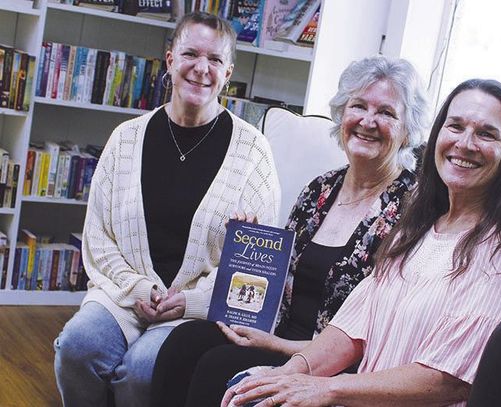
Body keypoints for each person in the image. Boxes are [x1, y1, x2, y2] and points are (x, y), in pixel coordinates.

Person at [222, 78, 501, 407]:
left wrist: (327, 389)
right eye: (455, 126)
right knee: (245, 390)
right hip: (358, 399)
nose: (465, 143)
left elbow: (450, 379)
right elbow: (353, 326)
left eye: (486, 133)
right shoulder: (417, 227)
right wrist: (289, 374)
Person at [151, 55, 430, 406]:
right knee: (184, 342)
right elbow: (276, 280)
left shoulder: (413, 210)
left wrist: (277, 346)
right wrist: (249, 251)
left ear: (408, 130)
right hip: (274, 332)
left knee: (216, 367)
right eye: (358, 106)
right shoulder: (321, 189)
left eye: (386, 113)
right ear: (342, 115)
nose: (368, 121)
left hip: (332, 362)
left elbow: (375, 332)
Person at [53, 11, 280, 407]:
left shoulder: (253, 153)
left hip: (194, 308)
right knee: (77, 347)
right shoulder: (125, 139)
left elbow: (254, 271)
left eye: (214, 60)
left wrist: (189, 302)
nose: (201, 68)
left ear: (228, 73)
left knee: (144, 371)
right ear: (170, 59)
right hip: (123, 293)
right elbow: (98, 236)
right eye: (191, 53)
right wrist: (140, 287)